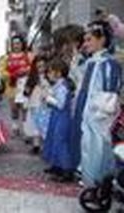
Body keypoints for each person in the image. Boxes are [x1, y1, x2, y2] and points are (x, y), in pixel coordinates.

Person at [77, 21, 122, 186]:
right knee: (90, 147)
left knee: (99, 149)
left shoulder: (108, 63)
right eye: (85, 40)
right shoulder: (92, 62)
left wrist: (101, 112)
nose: (85, 44)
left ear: (102, 39)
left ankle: (100, 183)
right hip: (90, 113)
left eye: (89, 40)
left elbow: (110, 92)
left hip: (101, 115)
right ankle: (92, 182)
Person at [42, 58, 77, 182]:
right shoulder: (60, 84)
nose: (48, 74)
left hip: (62, 116)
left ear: (58, 72)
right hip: (58, 116)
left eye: (50, 72)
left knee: (61, 141)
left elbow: (61, 104)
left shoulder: (62, 86)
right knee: (55, 139)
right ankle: (57, 165)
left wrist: (48, 98)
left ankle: (66, 169)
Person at [23, 55, 50, 154]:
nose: (41, 68)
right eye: (39, 66)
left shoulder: (50, 77)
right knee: (34, 124)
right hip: (34, 104)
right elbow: (26, 92)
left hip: (46, 105)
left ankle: (46, 144)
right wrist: (27, 90)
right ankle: (36, 145)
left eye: (43, 66)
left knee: (44, 124)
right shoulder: (32, 78)